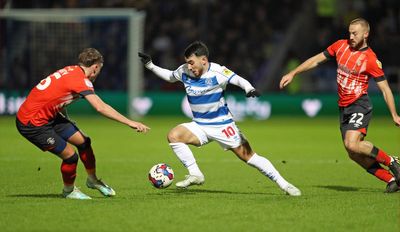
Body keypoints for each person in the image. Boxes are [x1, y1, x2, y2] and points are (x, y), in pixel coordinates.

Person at [139, 41, 301, 196]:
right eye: (187, 63)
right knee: (174, 135)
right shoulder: (184, 71)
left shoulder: (218, 71)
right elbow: (170, 76)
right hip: (200, 125)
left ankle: (284, 184)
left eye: (191, 62)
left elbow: (237, 79)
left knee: (249, 157)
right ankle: (196, 174)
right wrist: (150, 65)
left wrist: (248, 88)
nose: (189, 66)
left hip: (223, 126)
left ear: (203, 60)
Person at [279, 18, 400, 193]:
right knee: (353, 153)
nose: (351, 36)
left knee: (352, 144)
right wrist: (293, 72)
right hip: (344, 108)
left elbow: (385, 89)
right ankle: (390, 179)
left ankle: (392, 161)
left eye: (355, 33)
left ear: (366, 34)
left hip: (360, 104)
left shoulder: (370, 59)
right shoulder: (340, 46)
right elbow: (316, 60)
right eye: (349, 32)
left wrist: (394, 115)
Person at [16, 48, 150, 200]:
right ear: (95, 67)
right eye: (100, 69)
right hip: (32, 123)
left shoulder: (71, 70)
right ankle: (69, 191)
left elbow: (56, 97)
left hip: (49, 117)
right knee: (70, 156)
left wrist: (66, 119)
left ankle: (92, 180)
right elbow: (101, 107)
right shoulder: (81, 81)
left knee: (84, 142)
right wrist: (130, 122)